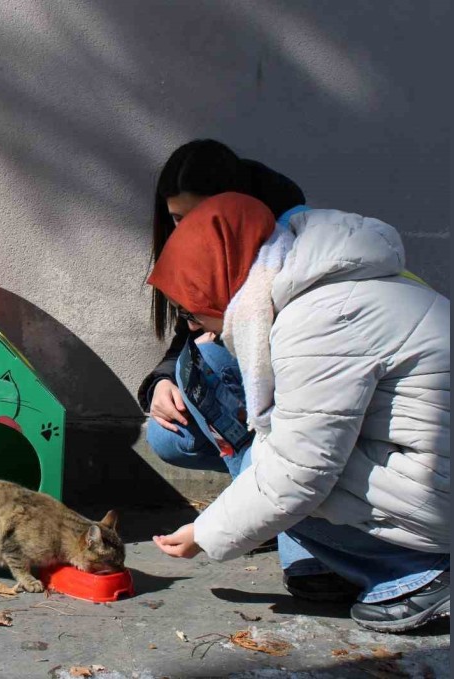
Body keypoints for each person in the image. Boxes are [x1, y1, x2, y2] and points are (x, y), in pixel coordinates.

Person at [147, 192, 450, 633]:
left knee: (285, 481)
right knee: (211, 375)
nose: (191, 325)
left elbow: (299, 474)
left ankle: (419, 575)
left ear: (222, 283)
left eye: (192, 310)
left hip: (445, 490)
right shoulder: (318, 283)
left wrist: (206, 533)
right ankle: (331, 564)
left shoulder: (319, 319)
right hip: (437, 469)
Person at [137, 140, 360, 603]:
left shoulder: (281, 249)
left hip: (324, 409)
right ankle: (260, 513)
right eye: (177, 220)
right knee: (166, 435)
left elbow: (296, 444)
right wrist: (161, 379)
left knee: (221, 371)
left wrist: (217, 529)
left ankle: (300, 546)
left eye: (198, 218)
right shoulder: (220, 258)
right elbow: (199, 320)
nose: (187, 231)